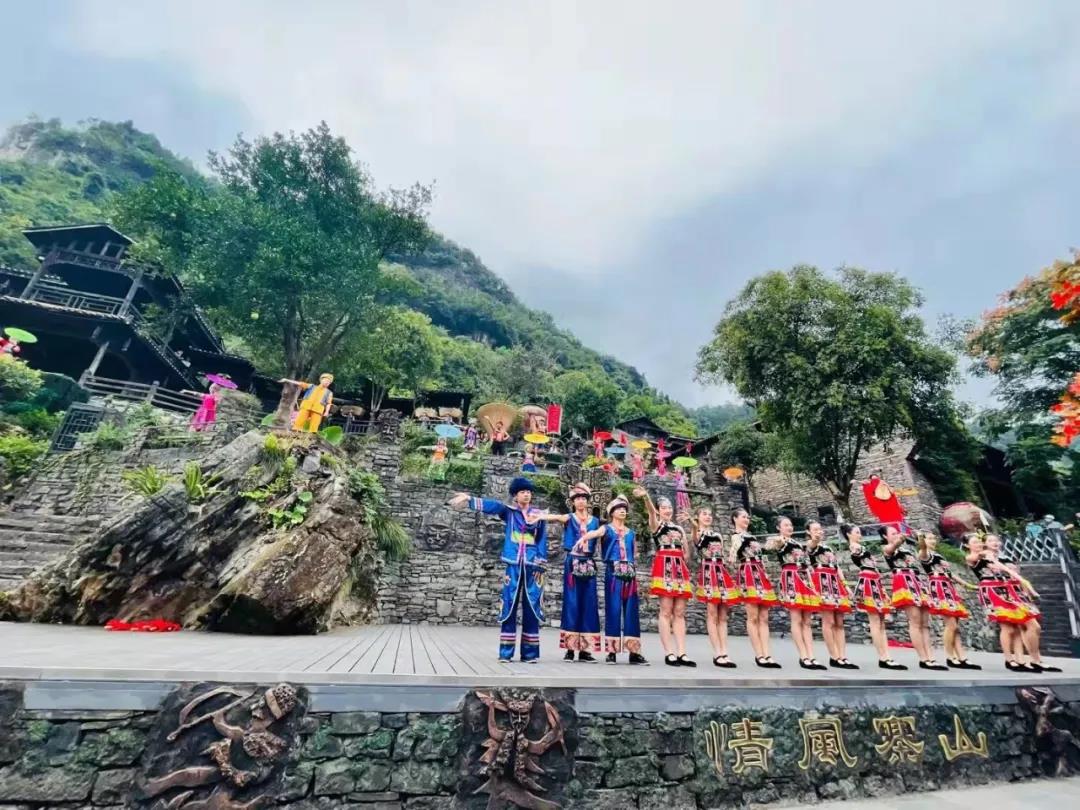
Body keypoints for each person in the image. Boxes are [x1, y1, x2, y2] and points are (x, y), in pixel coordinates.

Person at [449, 477, 548, 662]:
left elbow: (542, 539)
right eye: (522, 492)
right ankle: (506, 652)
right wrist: (469, 499)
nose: (526, 495)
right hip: (513, 564)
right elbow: (493, 506)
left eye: (528, 492)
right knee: (509, 606)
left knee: (532, 607)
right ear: (515, 496)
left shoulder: (539, 516)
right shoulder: (509, 512)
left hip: (533, 565)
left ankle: (530, 654)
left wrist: (541, 563)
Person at [635, 488, 695, 667]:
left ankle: (682, 652)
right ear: (659, 510)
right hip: (664, 565)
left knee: (680, 611)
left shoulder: (679, 529)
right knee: (666, 610)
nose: (668, 510)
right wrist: (646, 497)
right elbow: (651, 512)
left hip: (679, 568)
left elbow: (687, 554)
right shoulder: (657, 525)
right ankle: (669, 652)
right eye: (664, 508)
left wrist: (693, 527)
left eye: (670, 507)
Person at [544, 483, 603, 661]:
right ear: (573, 502)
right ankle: (570, 648)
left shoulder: (595, 521)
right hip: (573, 560)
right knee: (572, 602)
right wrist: (538, 516)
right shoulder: (569, 518)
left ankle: (585, 649)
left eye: (583, 498)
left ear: (587, 501)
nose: (581, 501)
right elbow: (555, 517)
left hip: (588, 562)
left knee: (589, 603)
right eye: (577, 499)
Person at [986, 535, 1061, 673]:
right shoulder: (986, 557)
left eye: (996, 540)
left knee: (1033, 626)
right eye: (990, 541)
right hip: (1002, 592)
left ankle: (1034, 659)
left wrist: (1026, 591)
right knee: (1017, 627)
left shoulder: (1006, 557)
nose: (995, 543)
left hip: (1017, 593)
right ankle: (1017, 660)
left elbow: (1018, 576)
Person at [880, 524, 945, 670]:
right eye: (892, 533)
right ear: (885, 536)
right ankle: (923, 658)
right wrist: (900, 539)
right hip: (904, 581)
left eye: (897, 532)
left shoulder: (907, 549)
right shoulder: (887, 548)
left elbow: (922, 549)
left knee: (925, 623)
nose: (896, 535)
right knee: (915, 621)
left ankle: (931, 657)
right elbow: (892, 547)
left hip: (917, 582)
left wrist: (920, 537)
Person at [842, 523, 907, 670]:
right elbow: (856, 553)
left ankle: (887, 656)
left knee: (881, 621)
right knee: (875, 621)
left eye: (859, 532)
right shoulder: (854, 547)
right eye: (856, 532)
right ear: (848, 534)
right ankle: (883, 657)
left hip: (875, 580)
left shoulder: (860, 547)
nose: (859, 535)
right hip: (867, 581)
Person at [765, 517, 825, 670]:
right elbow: (770, 545)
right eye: (786, 525)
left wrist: (815, 539)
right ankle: (803, 656)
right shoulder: (781, 541)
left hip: (804, 577)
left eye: (790, 525)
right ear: (778, 527)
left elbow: (810, 547)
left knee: (807, 620)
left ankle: (811, 655)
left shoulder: (798, 544)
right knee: (797, 618)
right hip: (791, 577)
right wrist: (776, 540)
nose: (789, 527)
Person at [917, 532, 980, 670]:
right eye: (929, 538)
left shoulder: (938, 555)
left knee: (955, 625)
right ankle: (950, 656)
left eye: (934, 538)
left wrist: (968, 585)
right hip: (938, 587)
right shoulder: (925, 554)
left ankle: (961, 656)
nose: (933, 540)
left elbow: (951, 574)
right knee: (950, 624)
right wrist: (921, 538)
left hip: (948, 587)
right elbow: (922, 549)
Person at [728, 508, 780, 668]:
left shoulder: (752, 536)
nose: (746, 519)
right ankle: (759, 654)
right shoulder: (736, 536)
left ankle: (767, 653)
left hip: (759, 572)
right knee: (753, 616)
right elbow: (735, 548)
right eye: (743, 517)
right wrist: (733, 552)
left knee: (764, 616)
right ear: (735, 519)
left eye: (747, 517)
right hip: (748, 572)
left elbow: (761, 554)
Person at [600, 495, 647, 664]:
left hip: (629, 574)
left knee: (632, 611)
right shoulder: (606, 529)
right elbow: (595, 534)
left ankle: (634, 652)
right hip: (613, 573)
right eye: (619, 508)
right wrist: (584, 538)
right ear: (612, 512)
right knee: (613, 609)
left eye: (624, 509)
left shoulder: (631, 533)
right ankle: (611, 651)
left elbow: (634, 553)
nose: (622, 511)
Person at [691, 506, 740, 668]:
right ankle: (717, 652)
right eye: (704, 514)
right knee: (712, 613)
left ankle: (725, 651)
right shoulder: (698, 532)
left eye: (709, 514)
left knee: (723, 615)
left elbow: (722, 555)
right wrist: (694, 526)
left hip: (720, 571)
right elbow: (697, 542)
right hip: (708, 571)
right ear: (698, 517)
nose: (708, 517)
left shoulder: (717, 535)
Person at [806, 520, 857, 670]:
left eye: (820, 529)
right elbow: (811, 546)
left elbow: (837, 567)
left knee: (839, 622)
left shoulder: (828, 547)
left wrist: (845, 585)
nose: (819, 531)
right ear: (808, 532)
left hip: (834, 582)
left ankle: (842, 656)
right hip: (822, 581)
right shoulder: (811, 546)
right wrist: (815, 539)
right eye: (815, 529)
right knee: (828, 621)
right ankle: (834, 656)